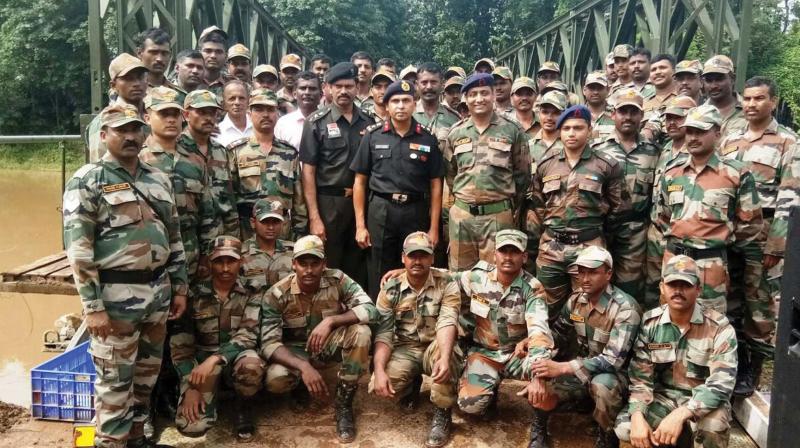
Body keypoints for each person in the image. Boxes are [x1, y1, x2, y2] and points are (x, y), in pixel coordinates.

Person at [64, 104, 189, 448]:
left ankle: (136, 438)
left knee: (145, 377)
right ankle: (111, 443)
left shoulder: (157, 179)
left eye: (136, 130)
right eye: (122, 130)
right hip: (115, 298)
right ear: (104, 136)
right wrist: (93, 307)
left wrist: (179, 286)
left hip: (158, 292)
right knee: (115, 382)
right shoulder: (87, 181)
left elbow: (174, 236)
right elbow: (79, 250)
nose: (131, 136)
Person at [259, 235, 378, 443]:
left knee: (361, 333)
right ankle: (299, 386)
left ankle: (344, 403)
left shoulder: (337, 279)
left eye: (315, 263)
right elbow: (269, 344)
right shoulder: (277, 294)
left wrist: (332, 320)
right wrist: (304, 367)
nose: (309, 269)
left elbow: (370, 310)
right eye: (303, 263)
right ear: (293, 264)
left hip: (327, 345)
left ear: (324, 264)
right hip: (295, 353)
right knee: (275, 379)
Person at [718, 76, 794, 396]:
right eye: (747, 99)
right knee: (730, 301)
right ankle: (731, 363)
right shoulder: (730, 139)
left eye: (759, 99)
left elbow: (791, 197)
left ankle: (753, 368)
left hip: (763, 234)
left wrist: (777, 245)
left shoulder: (788, 142)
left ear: (773, 102)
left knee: (759, 306)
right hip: (731, 233)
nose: (751, 105)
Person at [654, 105, 764, 325]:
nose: (693, 137)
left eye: (700, 131)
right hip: (675, 260)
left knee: (711, 325)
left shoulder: (736, 173)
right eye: (690, 132)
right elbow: (662, 216)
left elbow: (750, 225)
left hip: (710, 265)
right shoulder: (671, 172)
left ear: (717, 132)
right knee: (670, 321)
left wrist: (722, 249)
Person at [614, 255, 738, 448]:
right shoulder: (650, 325)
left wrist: (681, 414)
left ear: (698, 289)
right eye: (673, 284)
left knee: (713, 426)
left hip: (701, 402)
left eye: (686, 285)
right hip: (663, 399)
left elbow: (722, 384)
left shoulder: (719, 327)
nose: (678, 291)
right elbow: (641, 380)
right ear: (662, 287)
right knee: (627, 428)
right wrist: (638, 415)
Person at [529, 246, 641, 448]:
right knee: (541, 374)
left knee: (603, 385)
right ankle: (539, 428)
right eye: (581, 272)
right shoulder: (576, 300)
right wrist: (537, 347)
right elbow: (558, 335)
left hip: (618, 377)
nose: (585, 278)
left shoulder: (625, 309)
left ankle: (607, 435)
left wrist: (563, 367)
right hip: (582, 371)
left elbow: (612, 361)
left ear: (608, 274)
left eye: (593, 272)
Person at [527, 105, 629, 322]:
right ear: (559, 132)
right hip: (551, 248)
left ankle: (582, 352)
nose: (572, 133)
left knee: (587, 304)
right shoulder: (546, 165)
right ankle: (547, 350)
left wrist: (597, 235)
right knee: (545, 304)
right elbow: (538, 203)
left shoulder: (606, 165)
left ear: (589, 131)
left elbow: (618, 208)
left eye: (578, 128)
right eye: (566, 129)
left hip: (589, 247)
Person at [454, 230, 553, 447]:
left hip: (518, 354)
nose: (508, 257)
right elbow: (444, 278)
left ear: (524, 257)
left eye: (514, 252)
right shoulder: (476, 277)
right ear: (494, 255)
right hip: (485, 353)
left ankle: (540, 426)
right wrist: (402, 271)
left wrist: (538, 376)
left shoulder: (533, 288)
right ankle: (489, 392)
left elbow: (539, 331)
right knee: (469, 404)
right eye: (503, 251)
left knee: (548, 375)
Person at [351, 80, 444, 298]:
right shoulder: (373, 136)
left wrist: (433, 228)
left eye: (406, 100)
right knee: (378, 270)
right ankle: (380, 322)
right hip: (381, 210)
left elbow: (436, 184)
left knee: (416, 268)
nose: (401, 106)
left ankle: (411, 322)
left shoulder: (427, 138)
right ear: (386, 105)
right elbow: (360, 181)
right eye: (395, 101)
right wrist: (360, 225)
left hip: (415, 211)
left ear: (414, 104)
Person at [370, 232, 462, 447]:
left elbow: (448, 321)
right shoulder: (390, 288)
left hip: (434, 344)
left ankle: (442, 413)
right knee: (381, 383)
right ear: (403, 258)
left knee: (446, 355)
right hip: (406, 347)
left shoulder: (446, 282)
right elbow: (383, 333)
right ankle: (412, 384)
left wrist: (445, 357)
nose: (418, 261)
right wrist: (380, 369)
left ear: (432, 258)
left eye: (423, 256)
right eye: (413, 256)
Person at [171, 236, 263, 441]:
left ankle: (243, 407)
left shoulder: (252, 291)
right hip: (202, 367)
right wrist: (190, 387)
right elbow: (181, 346)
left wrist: (216, 358)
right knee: (191, 426)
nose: (225, 268)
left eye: (231, 261)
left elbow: (248, 334)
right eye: (219, 261)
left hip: (235, 356)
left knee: (251, 366)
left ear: (241, 262)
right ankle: (212, 396)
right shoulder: (194, 294)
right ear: (209, 262)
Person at [444, 73, 530, 270]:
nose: (479, 99)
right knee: (460, 276)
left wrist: (505, 204)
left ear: (493, 95)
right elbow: (451, 173)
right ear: (466, 98)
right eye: (473, 94)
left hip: (498, 216)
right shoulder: (456, 132)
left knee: (497, 275)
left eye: (484, 93)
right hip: (462, 217)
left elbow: (523, 176)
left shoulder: (512, 130)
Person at [300, 62, 372, 285]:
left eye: (349, 86)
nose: (343, 91)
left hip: (362, 207)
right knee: (328, 267)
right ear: (327, 88)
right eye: (338, 86)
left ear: (356, 87)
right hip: (328, 205)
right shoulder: (316, 123)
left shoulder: (370, 123)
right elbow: (308, 173)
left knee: (359, 266)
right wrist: (315, 218)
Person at [593, 89, 660, 301]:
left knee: (629, 289)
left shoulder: (653, 152)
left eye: (634, 112)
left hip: (635, 233)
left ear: (642, 116)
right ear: (613, 114)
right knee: (596, 283)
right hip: (602, 229)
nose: (628, 117)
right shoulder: (597, 149)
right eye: (623, 111)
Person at [229, 88, 307, 240]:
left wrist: (299, 235)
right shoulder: (236, 151)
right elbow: (228, 198)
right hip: (246, 232)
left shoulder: (289, 153)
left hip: (282, 233)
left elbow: (299, 202)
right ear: (249, 114)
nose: (265, 114)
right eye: (258, 109)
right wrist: (233, 235)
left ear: (277, 113)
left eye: (270, 109)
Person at [643, 96, 695, 309]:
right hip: (656, 232)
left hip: (679, 237)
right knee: (654, 288)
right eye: (669, 118)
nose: (672, 123)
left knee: (677, 291)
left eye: (678, 118)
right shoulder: (664, 150)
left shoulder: (694, 153)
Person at [180, 90, 240, 238]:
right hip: (188, 240)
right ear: (186, 115)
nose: (208, 118)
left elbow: (229, 200)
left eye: (212, 113)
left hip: (218, 238)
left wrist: (234, 238)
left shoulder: (221, 151)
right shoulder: (175, 150)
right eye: (201, 112)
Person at [87, 54, 148, 162]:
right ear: (113, 85)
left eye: (140, 77)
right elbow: (99, 167)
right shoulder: (105, 121)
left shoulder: (154, 115)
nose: (137, 83)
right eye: (129, 79)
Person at [240, 199, 294, 294]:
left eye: (276, 222)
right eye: (265, 222)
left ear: (282, 223)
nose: (271, 227)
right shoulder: (240, 254)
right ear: (253, 222)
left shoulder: (293, 252)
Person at [275, 71, 323, 149]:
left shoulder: (329, 122)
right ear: (294, 94)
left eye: (312, 89)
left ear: (321, 95)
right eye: (303, 88)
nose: (307, 92)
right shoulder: (283, 124)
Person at [702, 55, 747, 137]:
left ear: (732, 79)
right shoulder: (698, 113)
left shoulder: (748, 109)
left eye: (719, 79)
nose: (713, 86)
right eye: (708, 80)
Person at [135, 28, 179, 92]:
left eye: (164, 53)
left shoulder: (178, 94)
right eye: (153, 52)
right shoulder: (128, 91)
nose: (159, 59)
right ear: (139, 53)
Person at [528, 91, 566, 164]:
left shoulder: (570, 144)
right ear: (539, 114)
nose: (549, 118)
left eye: (556, 113)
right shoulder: (528, 146)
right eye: (545, 112)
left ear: (564, 115)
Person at [215, 80, 253, 147]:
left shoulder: (258, 128)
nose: (237, 103)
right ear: (224, 104)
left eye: (241, 98)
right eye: (232, 98)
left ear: (248, 101)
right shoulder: (217, 133)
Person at [643, 54, 677, 122]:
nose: (657, 72)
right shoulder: (643, 103)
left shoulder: (683, 98)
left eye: (662, 68)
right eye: (653, 70)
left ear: (674, 71)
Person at [582, 71, 615, 140]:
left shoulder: (617, 114)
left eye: (600, 88)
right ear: (584, 90)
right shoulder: (576, 115)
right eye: (592, 88)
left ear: (608, 90)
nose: (595, 92)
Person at [198, 31, 230, 98]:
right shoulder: (189, 80)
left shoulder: (233, 84)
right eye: (208, 51)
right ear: (199, 53)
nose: (213, 56)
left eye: (219, 52)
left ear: (226, 56)